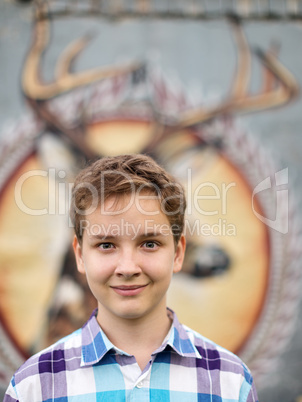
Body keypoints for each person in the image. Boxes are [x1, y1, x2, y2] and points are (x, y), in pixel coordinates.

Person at [4, 153, 258, 401]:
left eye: (149, 243)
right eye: (106, 245)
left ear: (178, 253)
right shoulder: (33, 386)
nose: (127, 268)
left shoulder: (230, 382)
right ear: (80, 256)